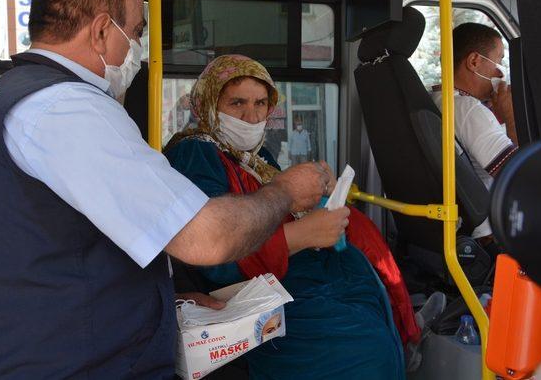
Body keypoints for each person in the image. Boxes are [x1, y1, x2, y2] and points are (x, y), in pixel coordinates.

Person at [0, 0, 332, 379]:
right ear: (101, 31)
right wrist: (284, 193)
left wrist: (167, 302)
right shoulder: (65, 108)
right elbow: (207, 239)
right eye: (135, 33)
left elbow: (63, 248)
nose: (136, 49)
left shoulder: (13, 95)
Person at [165, 54, 405, 380]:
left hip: (289, 272)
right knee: (362, 344)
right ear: (208, 102)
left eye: (261, 103)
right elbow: (214, 250)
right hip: (251, 287)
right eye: (237, 103)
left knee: (365, 302)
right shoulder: (195, 153)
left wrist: (319, 194)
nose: (251, 116)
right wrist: (303, 234)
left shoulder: (255, 156)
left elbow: (277, 206)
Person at [429, 22, 518, 239]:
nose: (501, 72)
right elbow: (520, 178)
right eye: (499, 61)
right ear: (474, 61)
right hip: (493, 235)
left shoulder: (439, 100)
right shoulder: (468, 109)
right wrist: (511, 117)